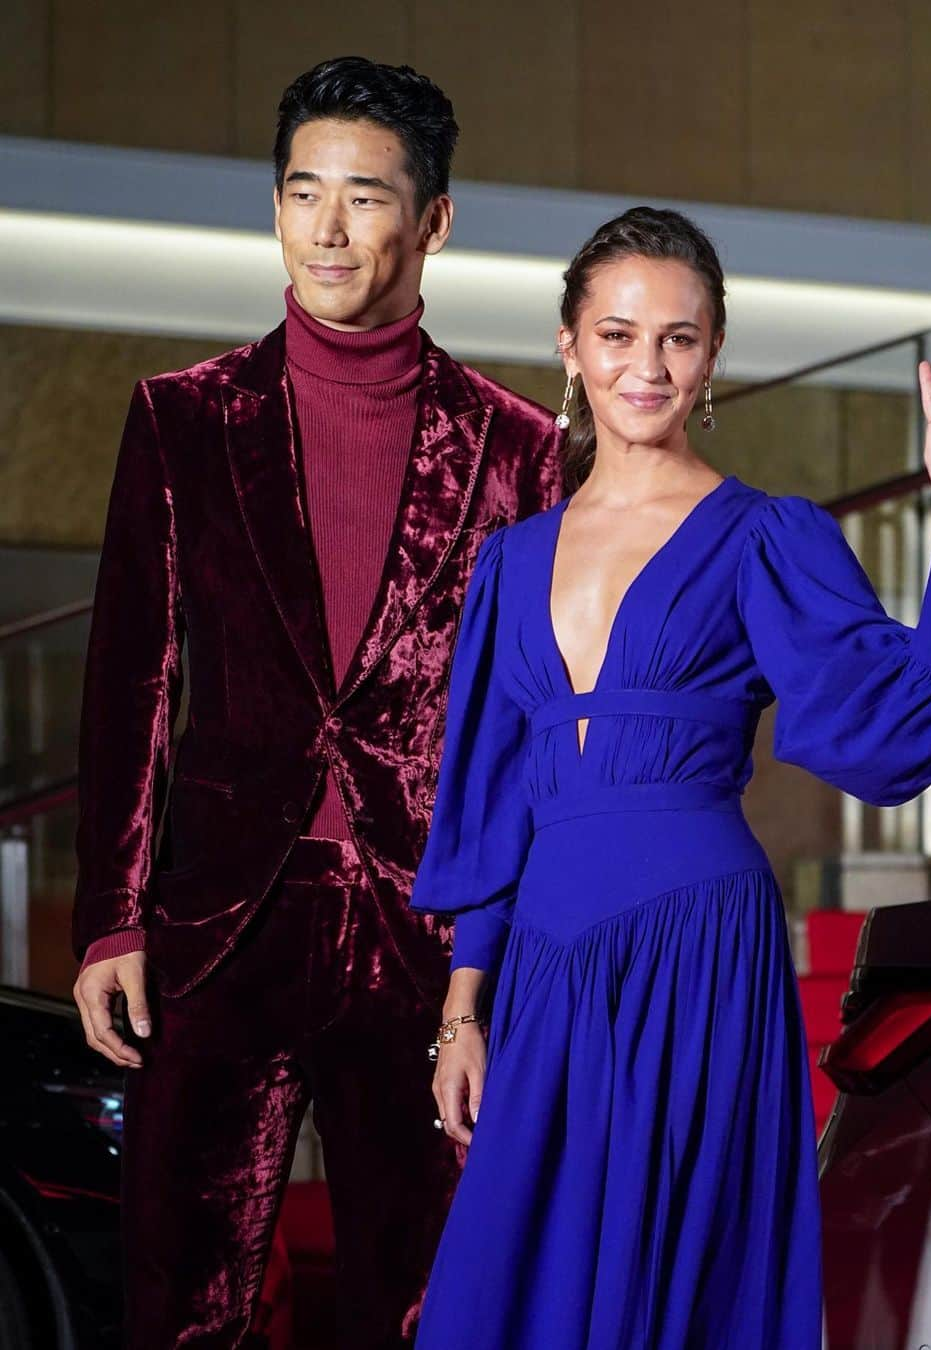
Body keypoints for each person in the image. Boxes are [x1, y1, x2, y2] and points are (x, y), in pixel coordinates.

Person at [408, 205, 931, 1348]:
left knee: (680, 1278)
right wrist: (460, 1012)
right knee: (504, 1292)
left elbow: (896, 725)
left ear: (713, 354)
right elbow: (489, 797)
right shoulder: (507, 561)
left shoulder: (764, 536)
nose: (648, 364)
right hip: (545, 955)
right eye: (619, 334)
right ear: (571, 348)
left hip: (697, 947)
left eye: (679, 338)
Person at [69, 56, 564, 1348]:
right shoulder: (181, 421)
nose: (328, 229)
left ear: (437, 222)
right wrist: (109, 917)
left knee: (431, 1297)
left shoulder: (516, 448)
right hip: (223, 918)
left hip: (427, 924)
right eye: (302, 192)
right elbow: (133, 674)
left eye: (364, 196)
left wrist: (516, 946)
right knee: (185, 1292)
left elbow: (530, 717)